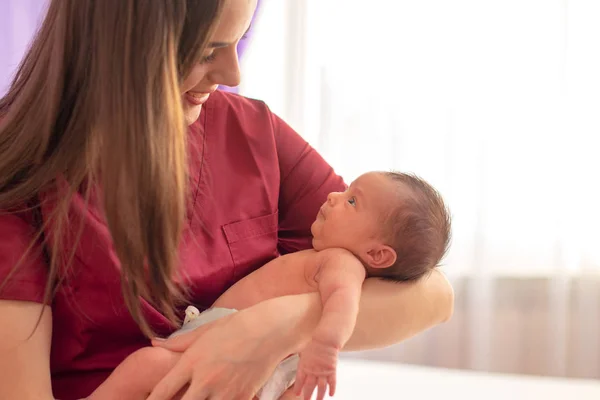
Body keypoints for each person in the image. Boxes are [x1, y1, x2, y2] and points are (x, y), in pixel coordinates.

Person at [0, 1, 455, 399]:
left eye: (238, 41)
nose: (232, 74)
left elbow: (432, 296)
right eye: (206, 51)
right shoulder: (21, 177)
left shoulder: (254, 133)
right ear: (121, 45)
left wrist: (270, 329)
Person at [85, 171, 452, 400]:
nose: (334, 195)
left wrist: (326, 345)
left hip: (234, 356)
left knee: (145, 366)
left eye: (352, 201)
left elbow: (344, 304)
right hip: (258, 367)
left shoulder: (339, 263)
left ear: (378, 254)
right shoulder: (326, 258)